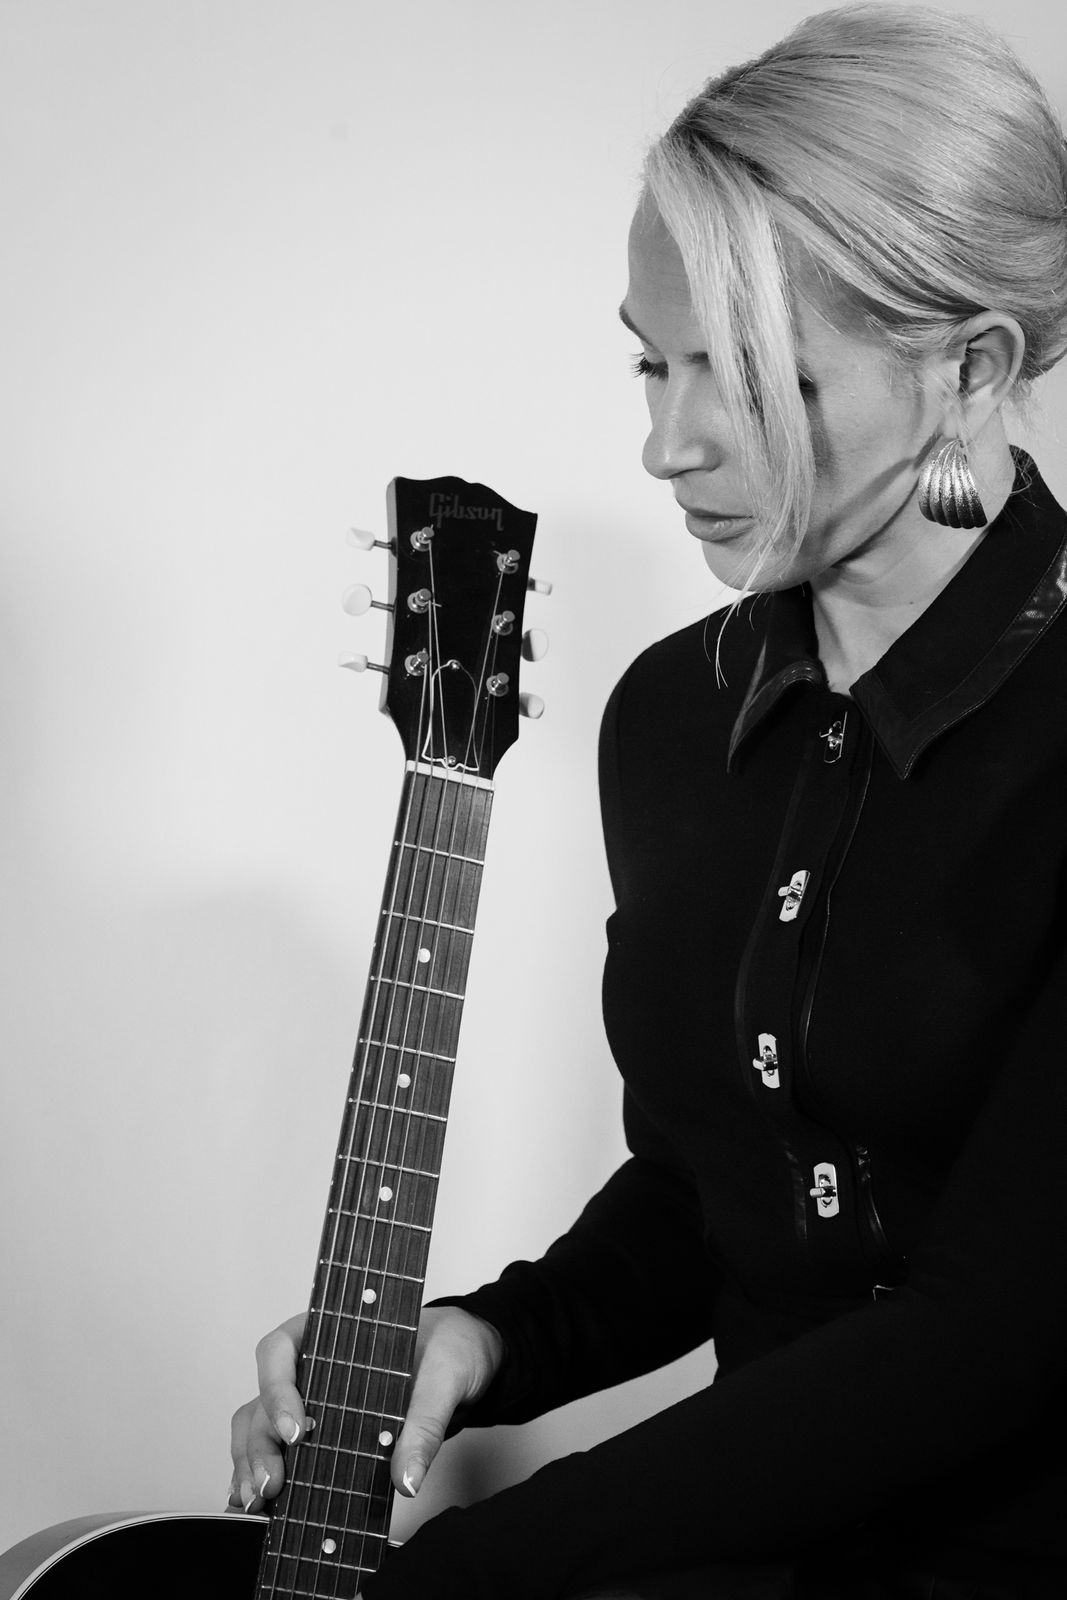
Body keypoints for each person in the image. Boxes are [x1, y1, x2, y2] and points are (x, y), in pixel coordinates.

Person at [229, 4, 1067, 1595]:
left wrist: (481, 1567)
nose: (665, 445)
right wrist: (485, 1340)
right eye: (651, 359)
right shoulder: (675, 718)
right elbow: (707, 1185)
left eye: (743, 373)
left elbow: (993, 1333)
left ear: (971, 368)